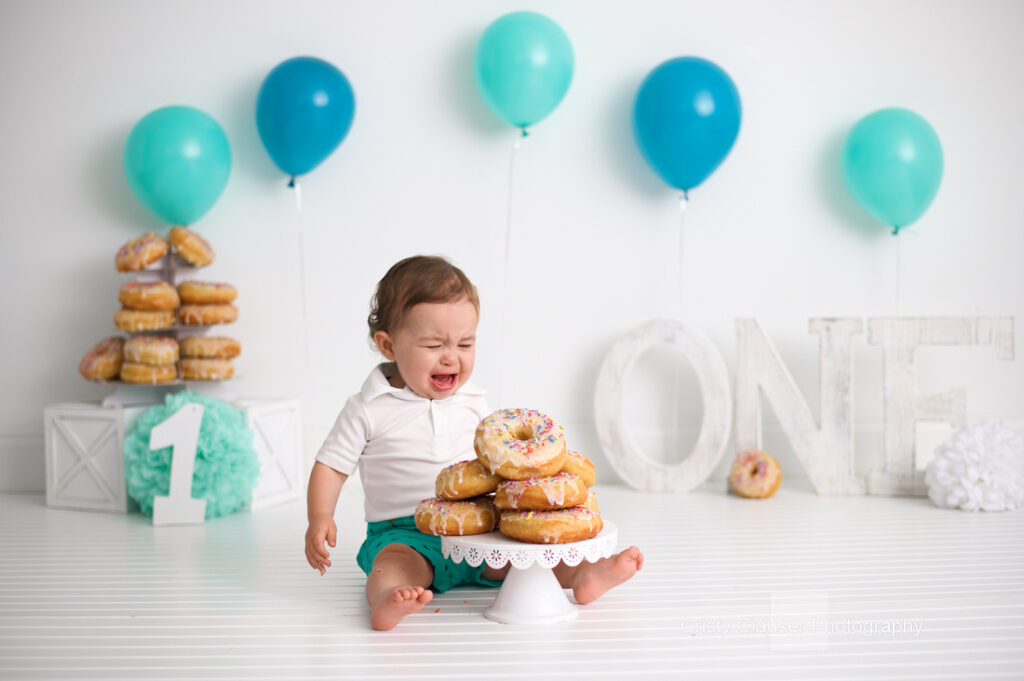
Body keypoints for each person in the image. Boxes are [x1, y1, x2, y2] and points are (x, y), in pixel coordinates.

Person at [304, 255, 644, 630]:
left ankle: (582, 574)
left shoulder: (475, 403)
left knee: (527, 556)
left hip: (476, 530)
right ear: (388, 346)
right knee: (392, 567)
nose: (452, 357)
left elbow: (496, 466)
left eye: (465, 343)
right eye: (433, 345)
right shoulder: (367, 408)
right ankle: (387, 598)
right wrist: (320, 517)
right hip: (402, 532)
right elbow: (331, 467)